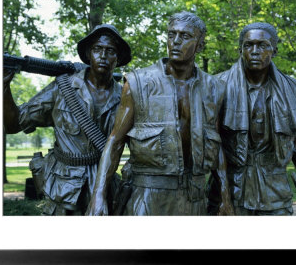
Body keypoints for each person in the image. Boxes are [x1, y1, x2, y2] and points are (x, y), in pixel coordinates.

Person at [87, 12, 234, 216]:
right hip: (147, 196)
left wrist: (225, 199)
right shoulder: (138, 83)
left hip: (194, 198)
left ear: (200, 45)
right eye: (171, 34)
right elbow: (115, 141)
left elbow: (215, 145)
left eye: (185, 36)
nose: (175, 42)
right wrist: (98, 195)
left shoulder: (215, 88)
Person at [3, 24, 131, 215]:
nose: (103, 55)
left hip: (104, 186)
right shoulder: (62, 88)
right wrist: (4, 88)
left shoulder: (126, 97)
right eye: (97, 49)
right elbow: (14, 124)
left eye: (110, 51)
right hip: (62, 189)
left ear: (118, 58)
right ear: (88, 54)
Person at [209, 22, 296, 216]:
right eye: (248, 45)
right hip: (232, 189)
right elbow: (212, 146)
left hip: (275, 193)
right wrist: (224, 197)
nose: (254, 51)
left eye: (262, 45)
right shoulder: (218, 84)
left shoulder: (291, 88)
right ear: (240, 49)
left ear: (274, 50)